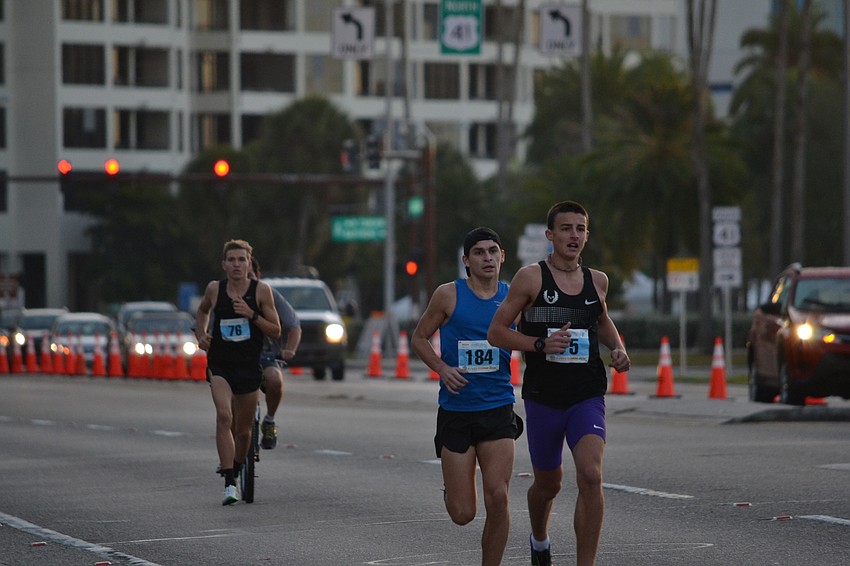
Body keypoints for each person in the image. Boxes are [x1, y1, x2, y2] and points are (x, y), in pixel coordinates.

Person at [487, 201, 630, 566]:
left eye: (580, 229)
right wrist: (539, 344)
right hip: (543, 397)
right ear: (550, 235)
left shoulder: (597, 280)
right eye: (566, 229)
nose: (574, 236)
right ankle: (539, 539)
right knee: (548, 484)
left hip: (586, 393)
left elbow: (601, 321)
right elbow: (497, 331)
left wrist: (618, 349)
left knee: (590, 474)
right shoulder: (531, 278)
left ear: (587, 235)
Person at [410, 227, 523, 566]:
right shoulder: (449, 295)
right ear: (467, 261)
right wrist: (443, 369)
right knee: (463, 513)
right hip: (456, 411)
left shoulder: (514, 297)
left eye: (493, 251)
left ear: (502, 256)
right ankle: (454, 484)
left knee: (499, 498)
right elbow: (419, 338)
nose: (487, 257)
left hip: (498, 408)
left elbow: (534, 339)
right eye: (479, 252)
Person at [196, 239, 281, 505]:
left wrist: (251, 315)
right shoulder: (214, 289)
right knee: (224, 416)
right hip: (220, 364)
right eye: (231, 260)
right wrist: (201, 333)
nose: (236, 264)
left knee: (244, 433)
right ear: (224, 264)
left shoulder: (261, 291)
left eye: (241, 260)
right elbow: (202, 312)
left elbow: (276, 330)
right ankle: (230, 482)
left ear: (248, 264)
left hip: (248, 367)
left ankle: (237, 463)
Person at [248, 258, 302, 449]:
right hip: (234, 358)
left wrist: (289, 350)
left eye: (250, 277)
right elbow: (204, 325)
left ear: (258, 276)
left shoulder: (269, 295)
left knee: (275, 379)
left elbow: (294, 326)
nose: (245, 282)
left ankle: (269, 420)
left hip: (265, 356)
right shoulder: (222, 294)